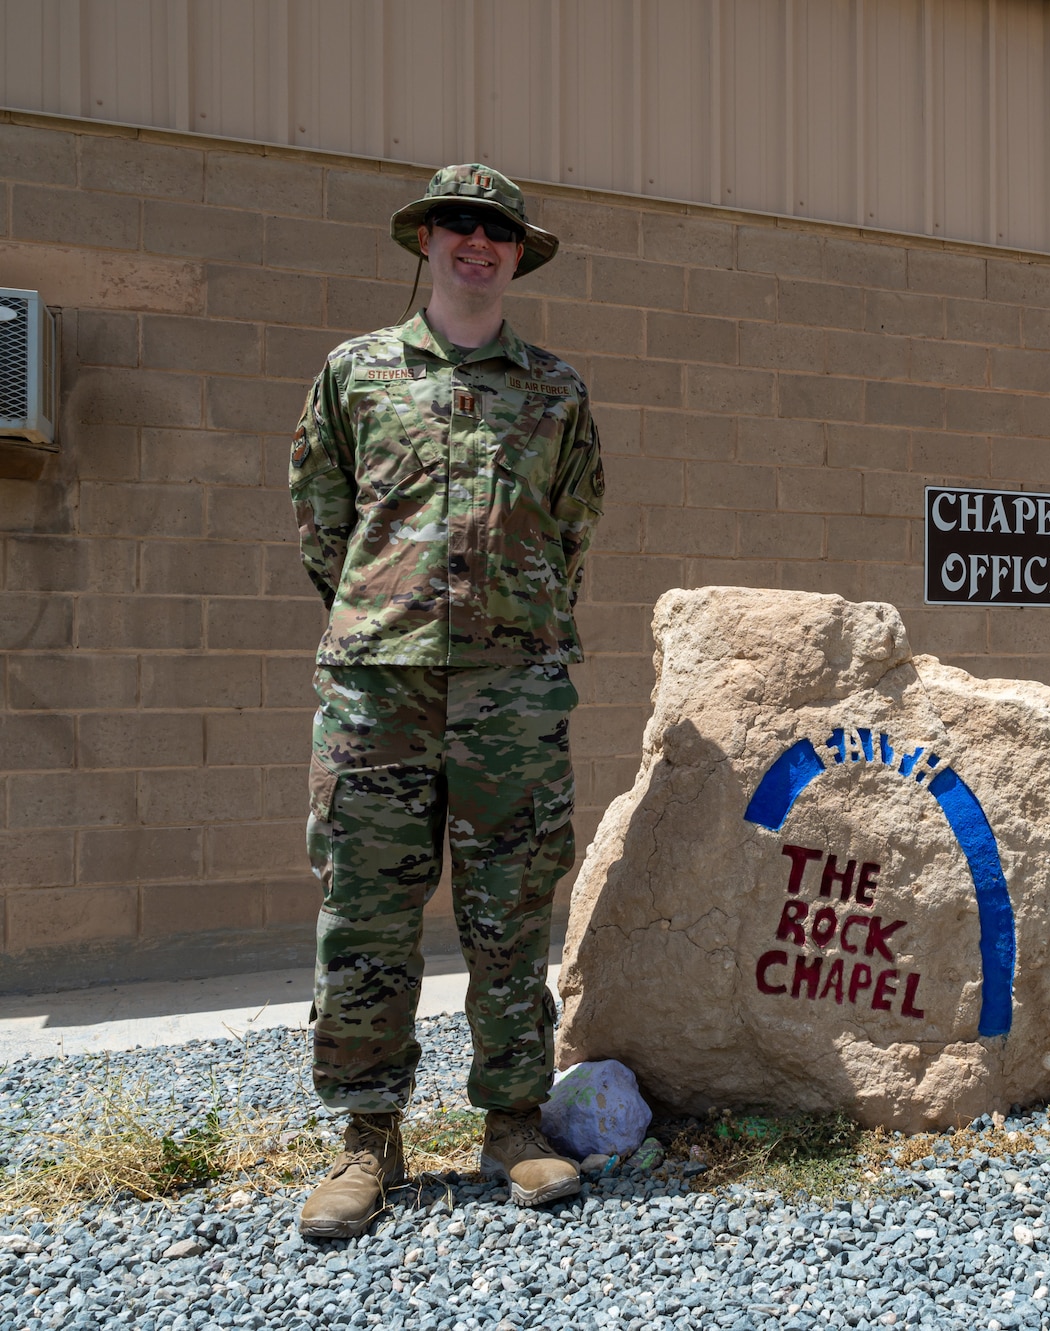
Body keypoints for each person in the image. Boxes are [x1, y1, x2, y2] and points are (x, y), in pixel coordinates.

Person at [289, 164, 605, 1237]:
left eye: (498, 231)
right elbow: (322, 519)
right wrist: (387, 614)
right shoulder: (355, 373)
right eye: (458, 225)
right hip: (377, 686)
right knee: (366, 912)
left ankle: (513, 1122)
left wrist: (507, 629)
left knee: (511, 911)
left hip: (510, 692)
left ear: (518, 253)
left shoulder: (555, 390)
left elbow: (572, 530)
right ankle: (365, 1140)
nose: (478, 242)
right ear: (425, 239)